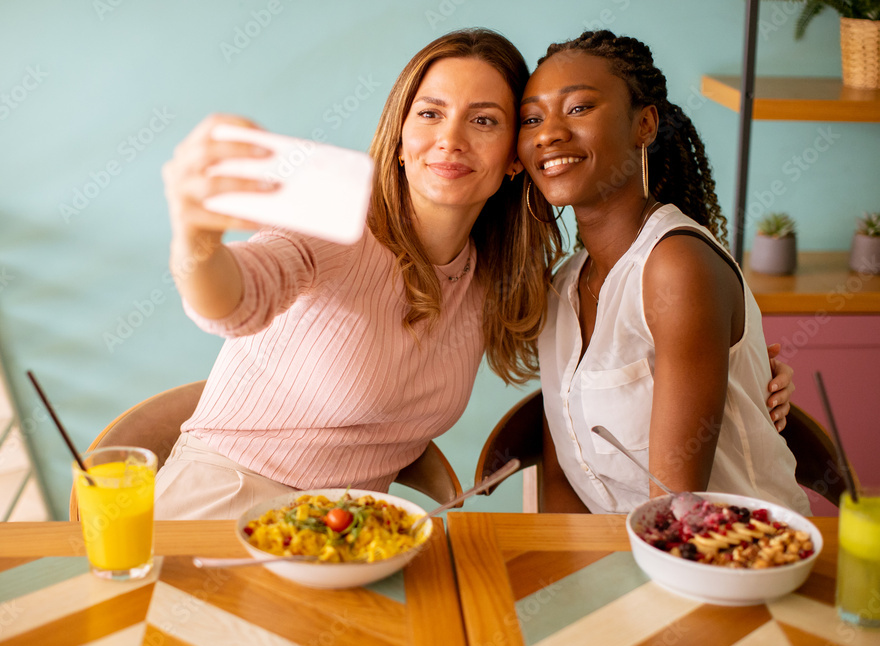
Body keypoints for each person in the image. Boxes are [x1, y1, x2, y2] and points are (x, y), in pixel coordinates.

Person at [157, 29, 795, 520]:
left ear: (512, 158)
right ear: (400, 137)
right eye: (430, 113)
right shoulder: (335, 227)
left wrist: (746, 369)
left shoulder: (505, 278)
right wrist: (195, 237)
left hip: (350, 529)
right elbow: (233, 302)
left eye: (486, 119)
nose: (451, 139)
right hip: (224, 506)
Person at [518, 30, 810, 514]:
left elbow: (676, 511)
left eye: (579, 108)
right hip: (620, 561)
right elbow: (564, 480)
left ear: (644, 125)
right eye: (532, 118)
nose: (548, 132)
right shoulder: (563, 285)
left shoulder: (676, 266)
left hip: (729, 561)